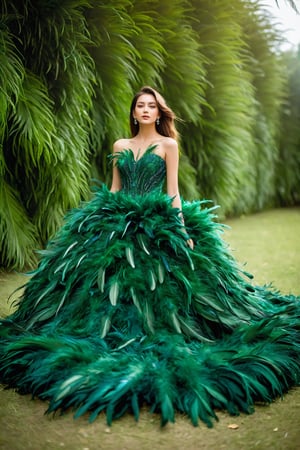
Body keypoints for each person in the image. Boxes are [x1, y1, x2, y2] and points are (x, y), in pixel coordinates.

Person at [0, 86, 299, 427]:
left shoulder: (168, 145)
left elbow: (172, 192)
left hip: (156, 225)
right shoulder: (120, 146)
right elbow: (114, 188)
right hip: (116, 223)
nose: (145, 110)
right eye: (140, 105)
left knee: (164, 288)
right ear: (133, 113)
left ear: (159, 113)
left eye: (151, 106)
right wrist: (94, 222)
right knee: (94, 281)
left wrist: (181, 230)